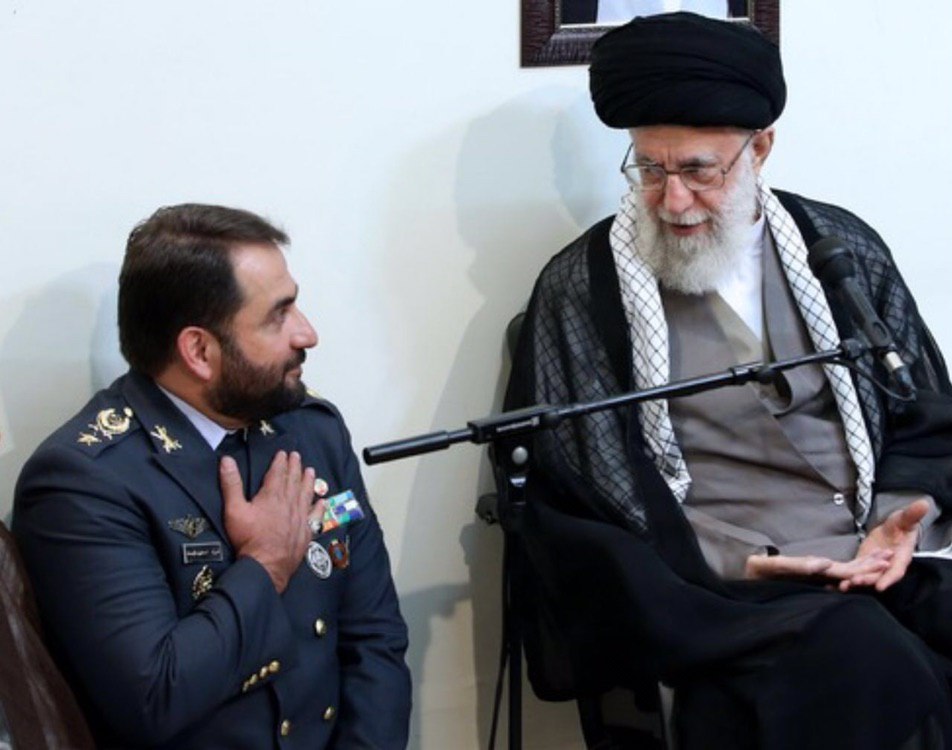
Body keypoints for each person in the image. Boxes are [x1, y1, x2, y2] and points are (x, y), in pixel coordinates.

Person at [506, 12, 952, 749]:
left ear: (760, 148)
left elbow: (922, 408)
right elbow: (588, 490)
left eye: (698, 171)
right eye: (651, 170)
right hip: (728, 593)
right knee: (868, 662)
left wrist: (900, 518)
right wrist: (737, 560)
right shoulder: (583, 289)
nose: (673, 200)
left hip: (880, 554)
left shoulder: (838, 247)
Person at [13, 204, 411, 749]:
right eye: (278, 316)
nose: (308, 333)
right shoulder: (84, 482)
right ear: (199, 350)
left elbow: (374, 638)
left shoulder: (310, 430)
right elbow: (155, 697)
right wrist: (264, 565)